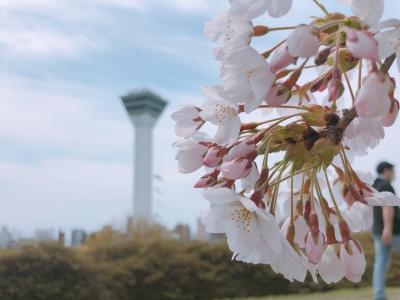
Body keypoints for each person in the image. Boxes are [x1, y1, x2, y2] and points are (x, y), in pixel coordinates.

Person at [372, 161, 400, 300]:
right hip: (392, 232)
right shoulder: (385, 185)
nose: (394, 174)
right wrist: (388, 229)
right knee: (381, 263)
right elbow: (388, 206)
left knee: (381, 264)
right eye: (393, 170)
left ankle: (379, 296)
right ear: (386, 171)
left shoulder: (374, 185)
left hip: (377, 231)